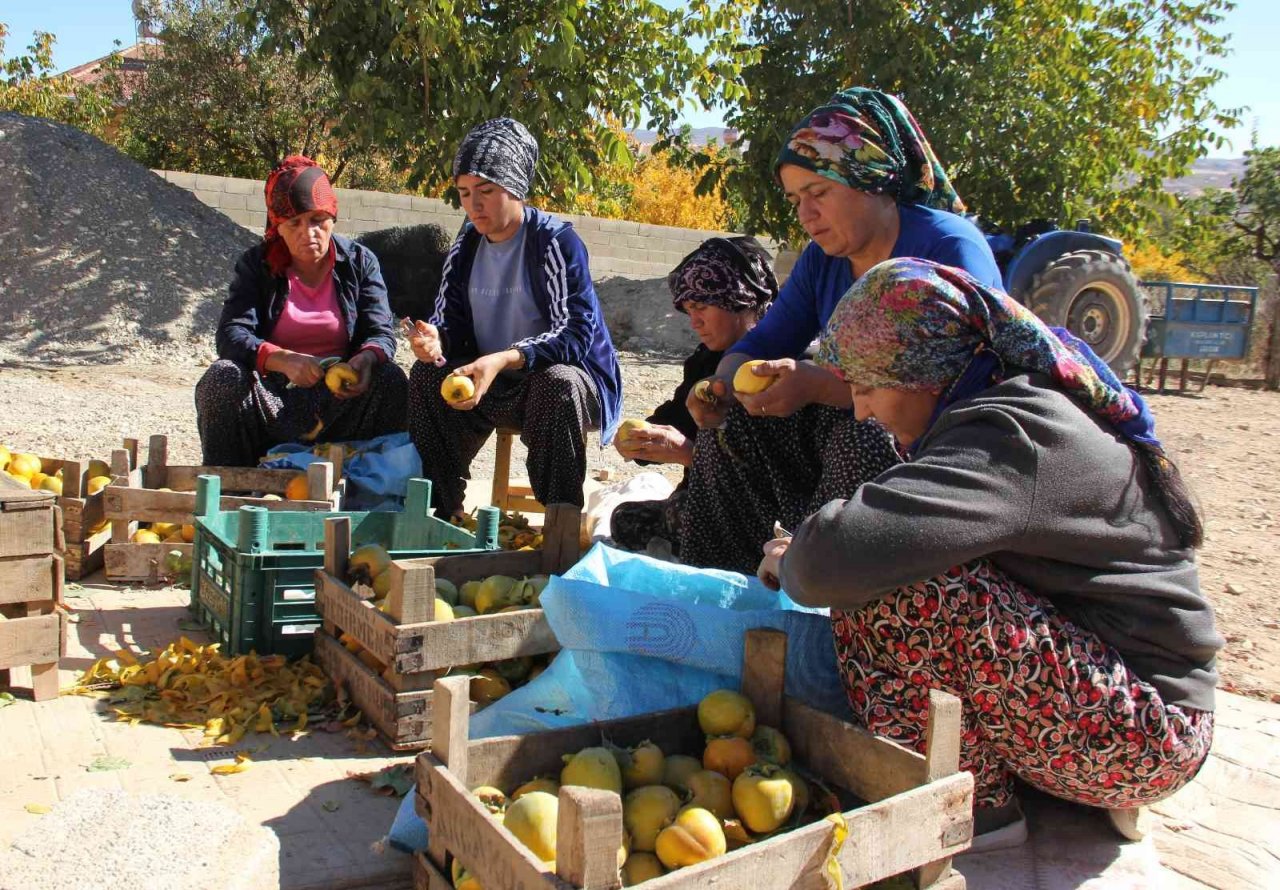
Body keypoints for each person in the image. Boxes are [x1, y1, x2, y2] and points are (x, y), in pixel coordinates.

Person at [760, 257, 1221, 850]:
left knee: (893, 586)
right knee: (904, 558)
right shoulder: (1008, 408)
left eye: (869, 387)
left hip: (1148, 738)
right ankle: (1035, 781)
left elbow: (837, 560)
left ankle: (974, 809)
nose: (862, 409)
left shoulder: (1010, 434)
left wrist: (793, 556)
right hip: (1126, 710)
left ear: (925, 373)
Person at [678, 87, 1001, 573]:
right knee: (734, 427)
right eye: (796, 199)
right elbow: (764, 341)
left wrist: (819, 387)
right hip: (851, 425)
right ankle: (726, 582)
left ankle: (821, 580)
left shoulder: (948, 249)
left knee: (865, 437)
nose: (805, 215)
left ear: (870, 180)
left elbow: (947, 390)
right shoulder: (823, 261)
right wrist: (721, 386)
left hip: (943, 454)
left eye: (819, 194)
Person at [405, 118, 623, 519]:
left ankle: (559, 521)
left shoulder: (555, 242)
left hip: (562, 386)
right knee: (424, 378)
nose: (474, 205)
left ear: (515, 188)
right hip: (493, 384)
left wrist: (504, 358)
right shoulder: (466, 247)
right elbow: (451, 324)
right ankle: (440, 512)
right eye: (465, 193)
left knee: (558, 383)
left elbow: (575, 335)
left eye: (486, 191)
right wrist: (436, 341)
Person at [195, 156, 407, 466]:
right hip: (274, 397)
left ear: (333, 217)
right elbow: (231, 334)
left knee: (390, 379)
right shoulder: (257, 265)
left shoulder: (360, 262)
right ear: (278, 227)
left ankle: (371, 483)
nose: (308, 233)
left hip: (340, 398)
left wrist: (365, 359)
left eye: (318, 220)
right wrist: (282, 360)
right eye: (294, 223)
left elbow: (381, 333)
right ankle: (231, 484)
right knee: (221, 378)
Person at [610, 237, 778, 556]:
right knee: (625, 519)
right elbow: (675, 420)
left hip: (758, 513)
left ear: (739, 299)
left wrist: (688, 454)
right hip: (701, 499)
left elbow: (767, 479)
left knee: (686, 514)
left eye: (701, 307)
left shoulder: (778, 368)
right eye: (689, 311)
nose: (695, 322)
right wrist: (641, 442)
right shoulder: (705, 361)